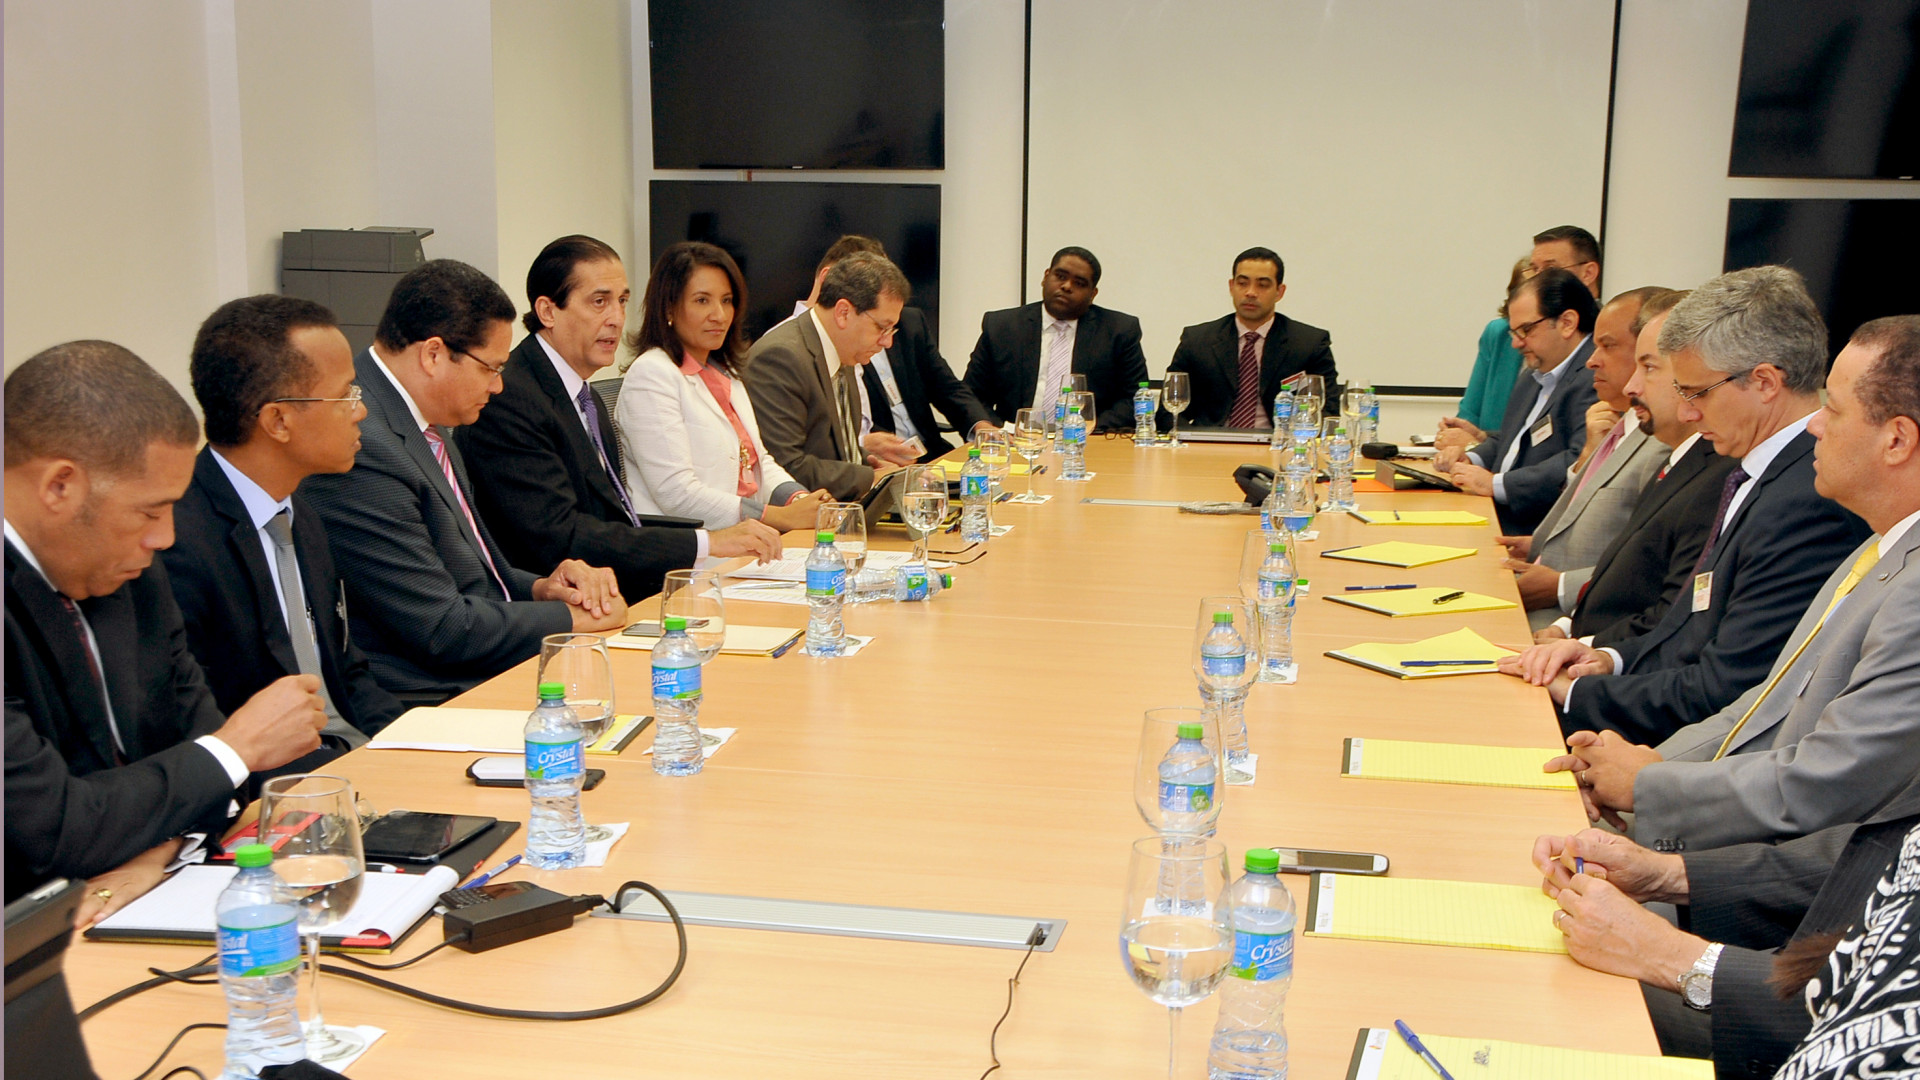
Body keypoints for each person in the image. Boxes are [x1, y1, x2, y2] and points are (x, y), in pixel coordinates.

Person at [1543, 316, 1920, 853]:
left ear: (1897, 440)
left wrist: (1649, 786)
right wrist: (1642, 769)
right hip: (1724, 813)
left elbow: (1826, 780)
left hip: (1771, 862)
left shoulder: (1908, 589)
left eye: (1833, 409)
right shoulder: (1877, 546)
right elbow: (1764, 708)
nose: (1815, 425)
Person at [4, 341, 327, 917]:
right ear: (59, 487)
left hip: (135, 895)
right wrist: (239, 746)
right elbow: (51, 828)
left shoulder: (129, 573)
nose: (166, 538)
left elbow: (209, 770)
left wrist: (158, 855)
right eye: (150, 511)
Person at [1507, 268, 1870, 747]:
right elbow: (1686, 625)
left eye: (1697, 393)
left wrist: (1577, 694)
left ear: (1765, 382)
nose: (1688, 412)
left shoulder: (1805, 502)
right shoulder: (1756, 470)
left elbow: (1727, 686)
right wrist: (1607, 658)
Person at [303, 260, 627, 706]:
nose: (498, 387)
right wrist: (570, 619)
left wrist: (543, 588)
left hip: (477, 665)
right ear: (434, 355)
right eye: (491, 369)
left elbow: (472, 574)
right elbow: (440, 628)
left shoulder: (426, 420)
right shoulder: (364, 447)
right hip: (426, 694)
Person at [455, 236, 778, 600]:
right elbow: (560, 537)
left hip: (604, 590)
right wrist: (708, 542)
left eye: (622, 301)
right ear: (547, 312)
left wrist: (709, 544)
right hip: (549, 604)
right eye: (599, 302)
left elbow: (610, 520)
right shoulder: (510, 399)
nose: (617, 318)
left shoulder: (585, 396)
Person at [163, 295, 404, 766]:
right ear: (278, 420)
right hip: (278, 781)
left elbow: (347, 673)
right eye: (346, 395)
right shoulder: (177, 542)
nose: (360, 412)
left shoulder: (300, 514)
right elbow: (206, 730)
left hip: (351, 756)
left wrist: (411, 747)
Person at [1531, 808, 1920, 1074]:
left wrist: (1676, 957)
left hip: (1810, 1033)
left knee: (1574, 1008)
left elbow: (1879, 1021)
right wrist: (1665, 874)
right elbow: (1860, 859)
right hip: (1797, 977)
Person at [1535, 293, 1739, 646]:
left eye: (1648, 367)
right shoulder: (1676, 461)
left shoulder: (1715, 476)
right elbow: (1625, 578)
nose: (1632, 386)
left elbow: (1669, 614)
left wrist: (1582, 647)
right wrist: (1568, 627)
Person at [617, 241, 831, 530]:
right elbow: (675, 493)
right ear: (669, 307)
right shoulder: (651, 374)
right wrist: (777, 516)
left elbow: (758, 463)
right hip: (693, 547)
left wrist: (800, 500)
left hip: (748, 536)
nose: (719, 314)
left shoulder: (724, 372)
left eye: (727, 300)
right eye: (702, 300)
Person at [1500, 287, 1669, 631]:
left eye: (1608, 346)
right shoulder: (1618, 421)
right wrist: (1538, 545)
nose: (1591, 360)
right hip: (1546, 595)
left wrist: (1560, 586)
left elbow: (1649, 568)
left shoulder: (1663, 442)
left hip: (1573, 619)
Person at [788, 236, 996, 462]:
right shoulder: (812, 347)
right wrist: (862, 444)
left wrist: (980, 425)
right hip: (879, 461)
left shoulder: (908, 322)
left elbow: (945, 385)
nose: (887, 341)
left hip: (928, 453)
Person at [1437, 268, 1600, 534]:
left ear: (1567, 323)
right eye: (1514, 332)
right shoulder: (1534, 374)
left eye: (1526, 330)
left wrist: (1496, 484)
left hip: (1536, 530)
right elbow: (1510, 440)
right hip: (1498, 516)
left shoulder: (1595, 377)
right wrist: (1472, 458)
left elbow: (1579, 460)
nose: (1516, 344)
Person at [742, 251, 913, 501]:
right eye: (882, 327)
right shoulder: (781, 357)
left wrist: (876, 466)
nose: (887, 342)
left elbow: (836, 452)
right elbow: (786, 467)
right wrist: (869, 478)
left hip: (843, 508)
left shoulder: (844, 350)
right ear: (843, 313)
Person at [1439, 227, 1603, 447]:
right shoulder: (1509, 342)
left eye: (1550, 269)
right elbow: (1518, 438)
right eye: (1534, 269)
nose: (1538, 278)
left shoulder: (1606, 346)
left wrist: (1480, 450)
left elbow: (1577, 449)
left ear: (1589, 273)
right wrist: (1479, 442)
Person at [963, 246, 1149, 431]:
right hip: (1014, 439)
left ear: (1092, 294)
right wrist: (1000, 429)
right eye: (1060, 276)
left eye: (1079, 283)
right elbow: (972, 395)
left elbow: (1134, 398)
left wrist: (1084, 429)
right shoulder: (1002, 326)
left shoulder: (1119, 331)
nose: (1066, 286)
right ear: (1045, 277)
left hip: (1088, 440)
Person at [1160, 246, 1336, 429]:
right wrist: (1194, 440)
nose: (1251, 292)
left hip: (1278, 441)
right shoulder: (1198, 340)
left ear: (1279, 292)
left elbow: (1327, 411)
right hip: (1211, 441)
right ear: (1231, 287)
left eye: (1262, 285)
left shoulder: (1309, 343)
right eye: (1243, 283)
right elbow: (1168, 411)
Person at [1448, 256, 1531, 434]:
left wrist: (1479, 440)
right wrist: (1458, 434)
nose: (1518, 340)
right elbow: (1469, 413)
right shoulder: (1499, 333)